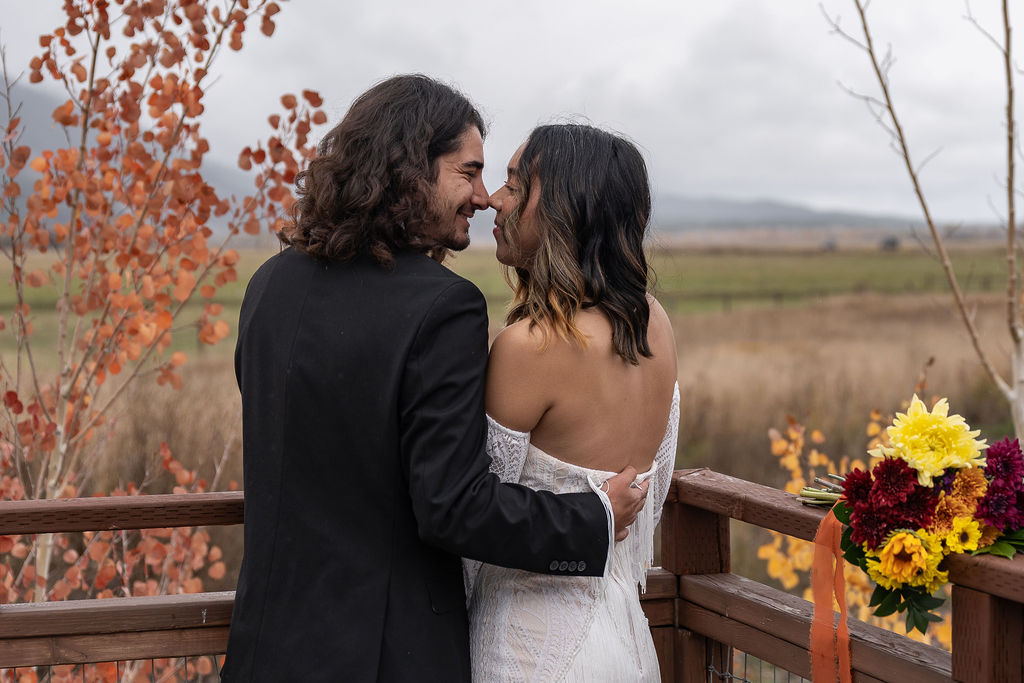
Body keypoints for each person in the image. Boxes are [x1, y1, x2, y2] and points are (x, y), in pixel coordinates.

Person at [219, 75, 649, 682]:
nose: (481, 196)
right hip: (387, 657)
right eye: (467, 172)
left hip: (267, 648)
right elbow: (451, 507)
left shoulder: (269, 285)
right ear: (408, 170)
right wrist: (591, 518)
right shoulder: (443, 306)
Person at [466, 123, 679, 682]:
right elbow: (649, 494)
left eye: (515, 184)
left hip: (529, 647)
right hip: (627, 640)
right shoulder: (655, 324)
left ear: (563, 207)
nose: (494, 198)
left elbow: (474, 520)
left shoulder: (527, 347)